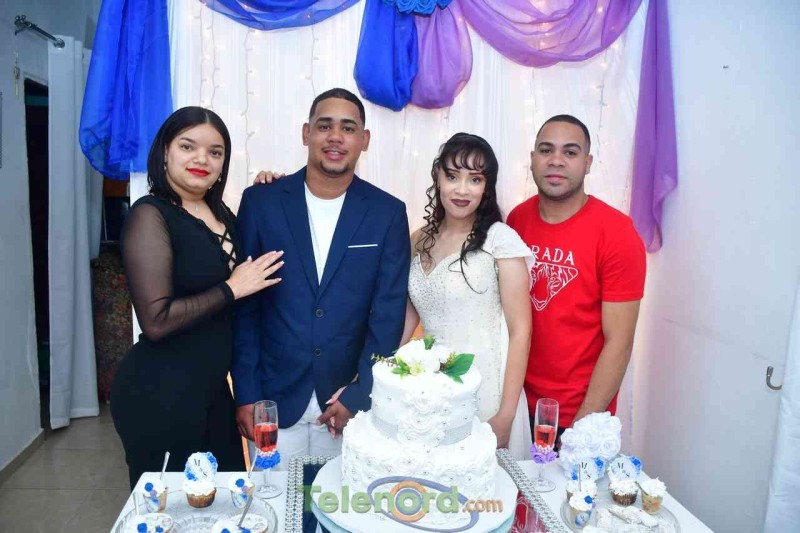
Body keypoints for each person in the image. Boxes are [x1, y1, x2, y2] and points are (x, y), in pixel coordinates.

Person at [232, 88, 410, 463]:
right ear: (306, 133)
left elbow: (388, 315)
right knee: (275, 498)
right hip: (272, 401)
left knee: (342, 498)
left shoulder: (388, 213)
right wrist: (246, 393)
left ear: (364, 140)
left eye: (348, 128)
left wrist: (361, 391)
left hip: (346, 401)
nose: (335, 137)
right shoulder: (262, 202)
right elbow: (245, 308)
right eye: (324, 126)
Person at [110, 106, 284, 489]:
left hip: (212, 390)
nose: (202, 159)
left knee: (226, 500)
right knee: (170, 507)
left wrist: (270, 192)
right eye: (188, 146)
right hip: (159, 391)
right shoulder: (150, 215)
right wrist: (231, 288)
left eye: (215, 152)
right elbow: (156, 321)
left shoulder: (221, 213)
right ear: (165, 152)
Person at [506, 114, 646, 441]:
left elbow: (620, 342)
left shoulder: (617, 233)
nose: (556, 160)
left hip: (577, 412)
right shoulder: (517, 220)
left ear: (587, 162)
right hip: (516, 403)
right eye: (546, 150)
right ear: (532, 159)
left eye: (570, 152)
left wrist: (583, 426)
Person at [400, 133, 534, 460]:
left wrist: (506, 414)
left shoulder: (500, 241)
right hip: (430, 387)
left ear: (486, 187)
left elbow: (521, 331)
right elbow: (407, 318)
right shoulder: (419, 239)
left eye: (475, 179)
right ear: (438, 177)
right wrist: (381, 371)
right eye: (452, 176)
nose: (462, 190)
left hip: (485, 389)